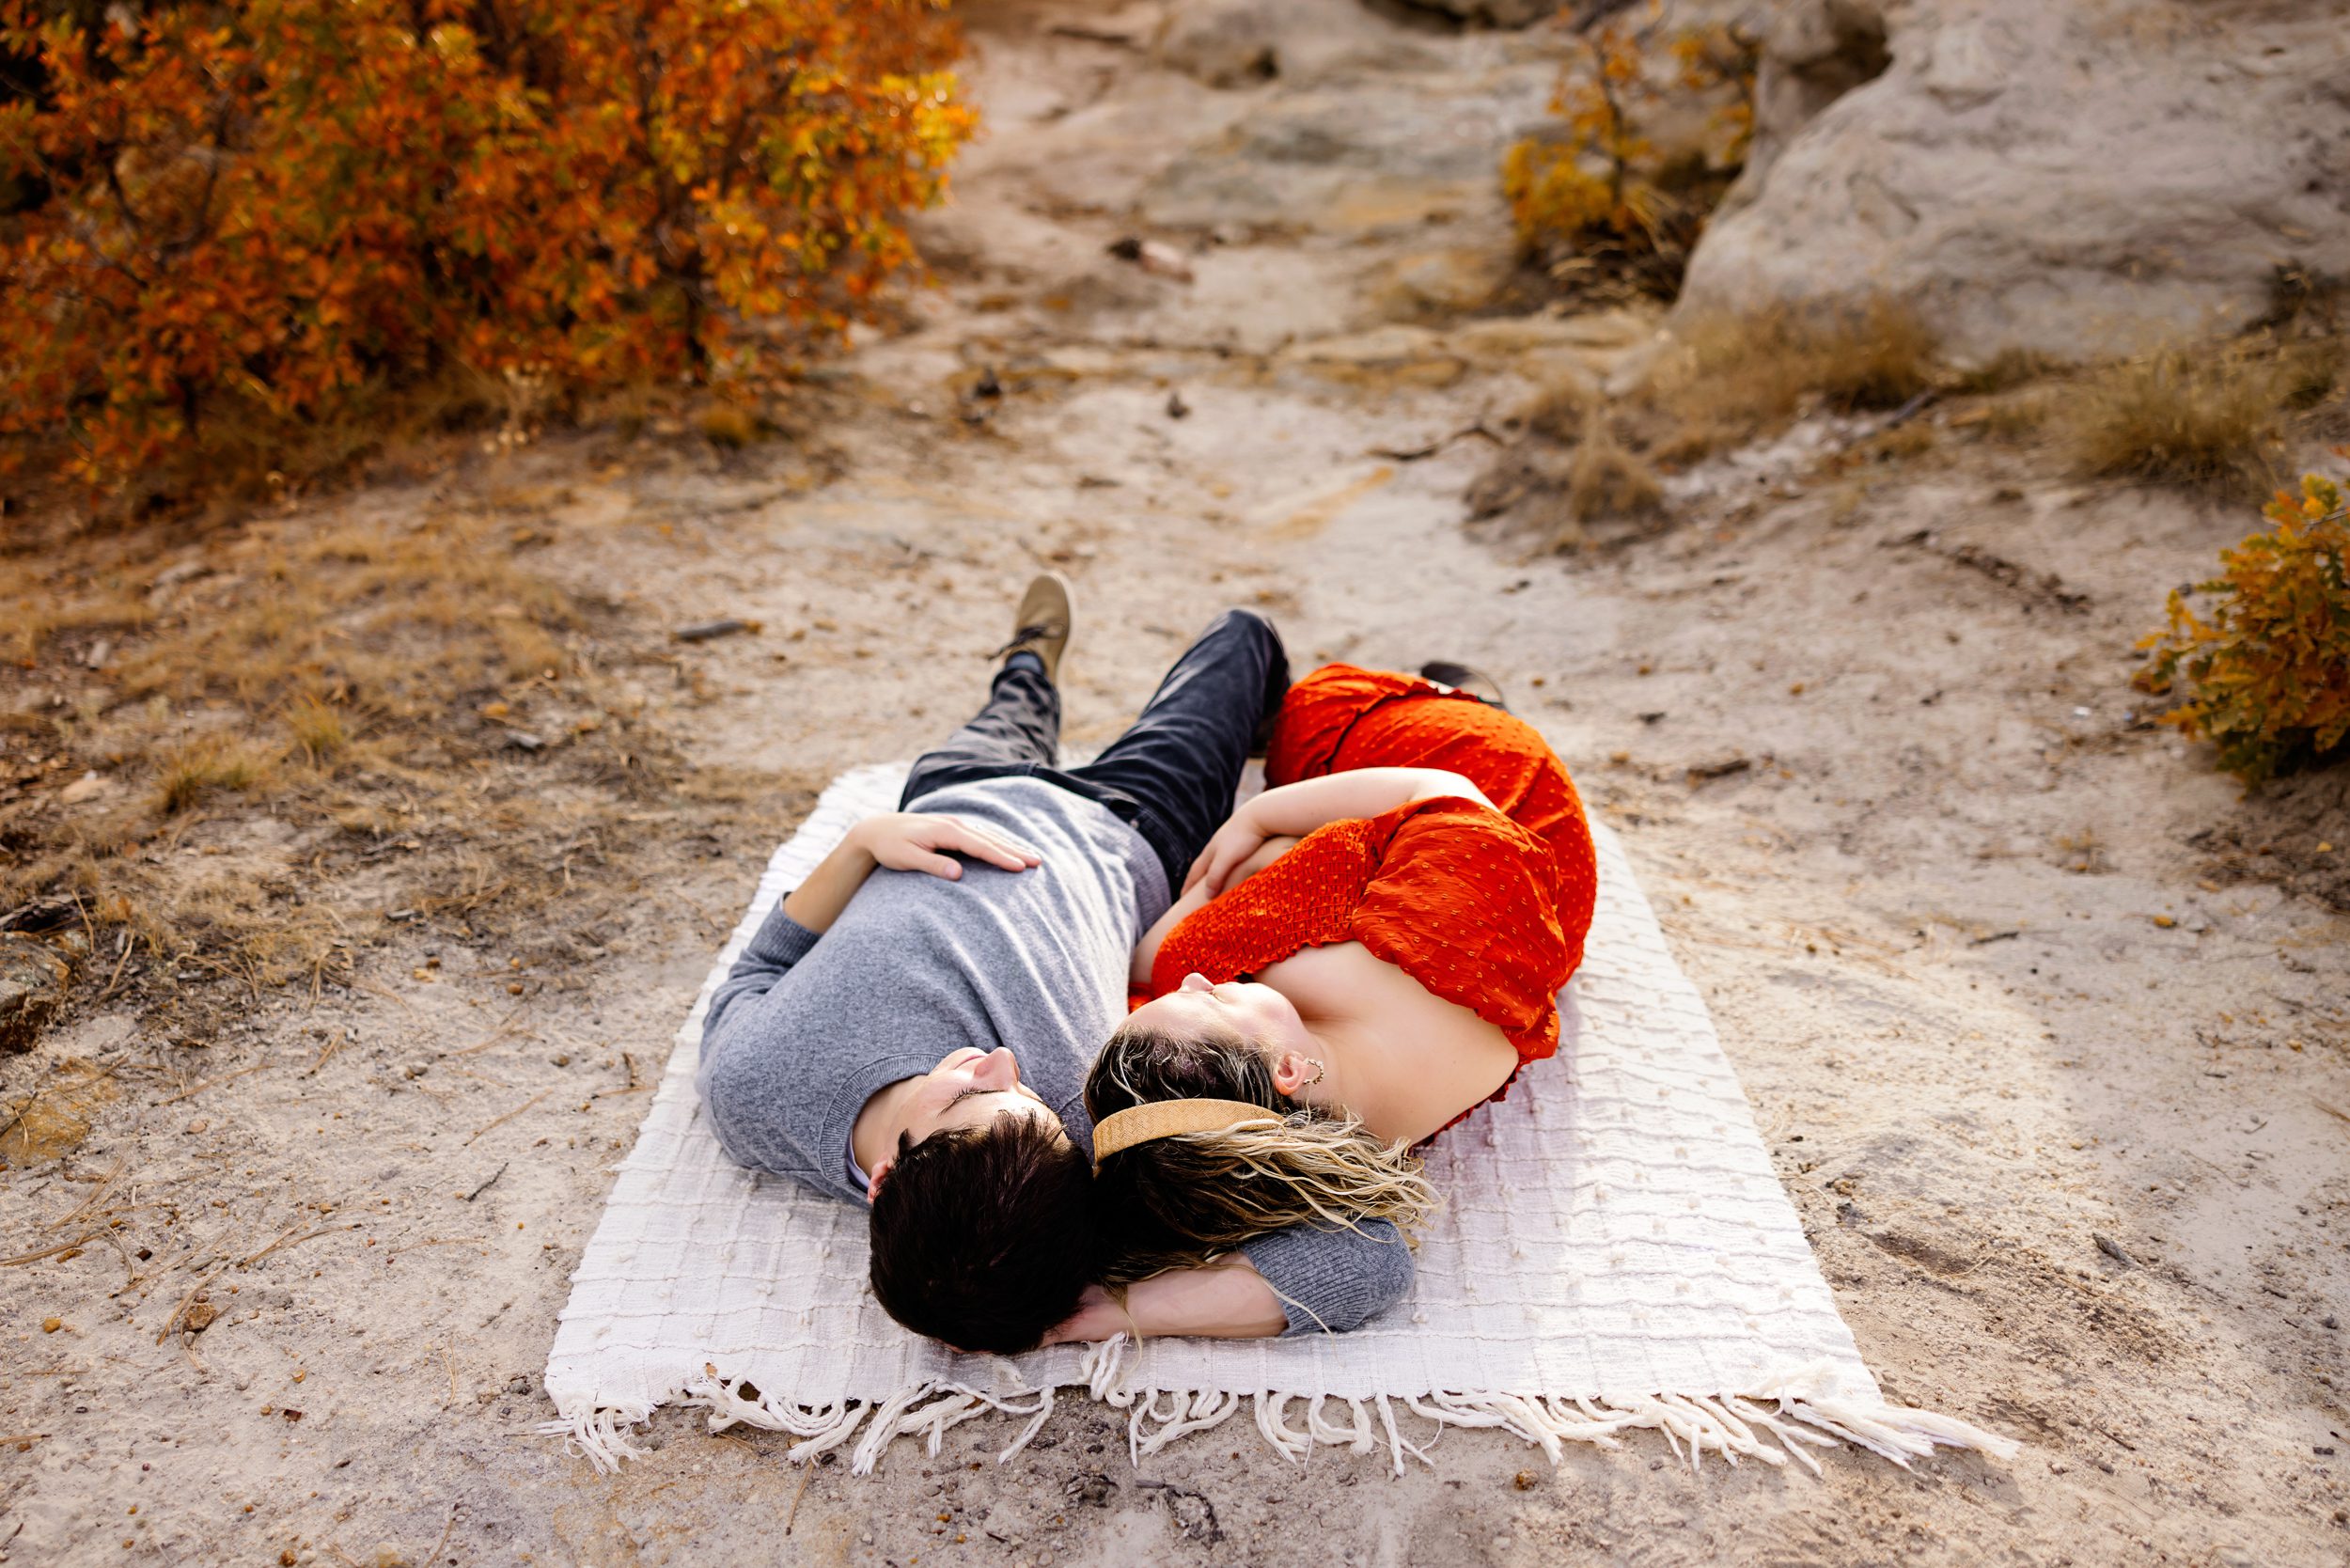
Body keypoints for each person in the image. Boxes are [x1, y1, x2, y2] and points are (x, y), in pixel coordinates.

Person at [696, 584, 1413, 1355]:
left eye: (966, 1096)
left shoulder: (750, 1092)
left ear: (881, 1181)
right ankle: (1297, 722)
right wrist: (1116, 1311)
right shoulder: (1063, 1164)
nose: (1001, 1065)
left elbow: (757, 969)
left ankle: (1028, 661)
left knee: (1013, 707)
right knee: (1244, 639)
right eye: (1010, 1093)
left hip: (953, 792)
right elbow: (1367, 1256)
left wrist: (863, 842)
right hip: (1126, 820)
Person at [1083, 662, 1600, 1284]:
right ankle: (1468, 702)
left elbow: (1160, 972)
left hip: (1433, 886)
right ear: (1288, 1069)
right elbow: (1445, 790)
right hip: (1502, 800)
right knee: (1314, 708)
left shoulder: (1305, 1142)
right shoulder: (1422, 953)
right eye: (1216, 1002)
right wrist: (1260, 817)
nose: (1198, 983)